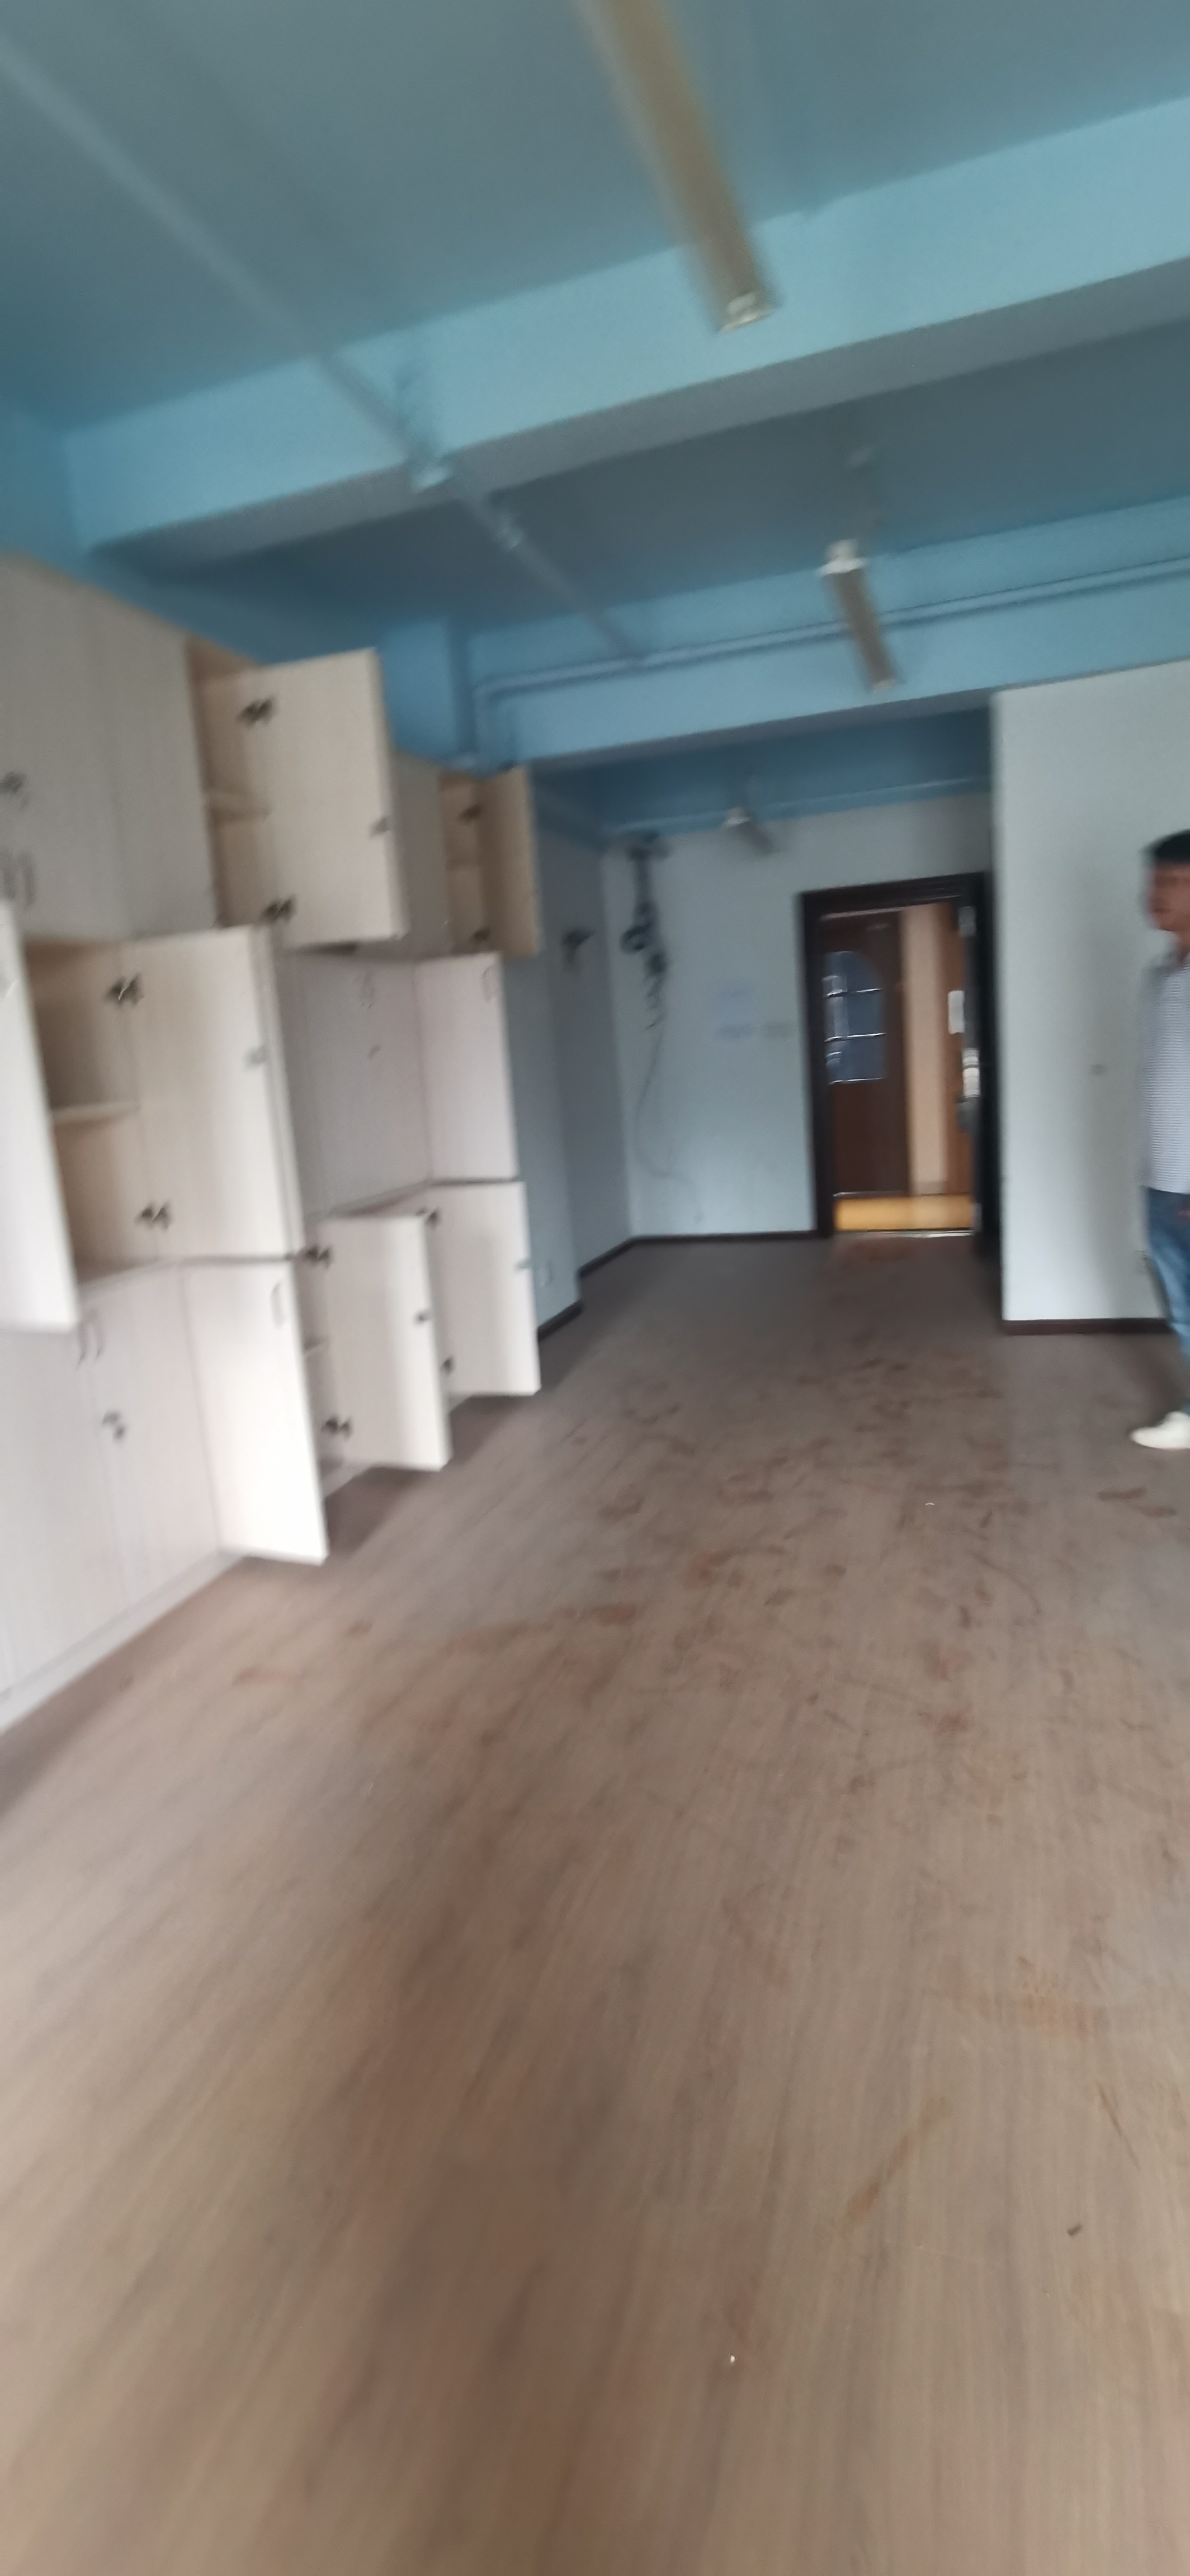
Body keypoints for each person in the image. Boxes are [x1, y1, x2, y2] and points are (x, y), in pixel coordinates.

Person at [1132, 830, 1190, 1451]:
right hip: (1162, 1174)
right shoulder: (1160, 976)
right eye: (1154, 881)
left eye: (1173, 882)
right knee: (1182, 1305)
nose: (1156, 895)